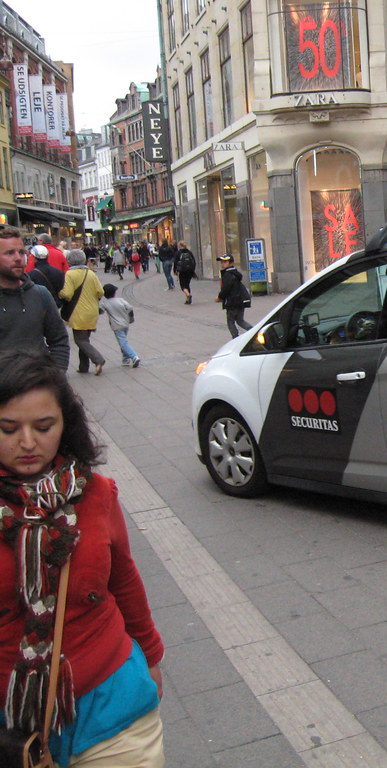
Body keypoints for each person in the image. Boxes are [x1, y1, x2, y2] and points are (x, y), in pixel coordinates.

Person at [0, 350, 165, 766]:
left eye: (43, 426)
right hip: (9, 718)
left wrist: (151, 658)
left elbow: (123, 579)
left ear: (65, 424)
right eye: (7, 428)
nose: (27, 443)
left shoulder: (94, 492)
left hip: (111, 694)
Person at [0, 227, 69, 369]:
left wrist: (56, 377)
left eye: (21, 252)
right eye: (9, 253)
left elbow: (59, 340)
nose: (18, 258)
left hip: (37, 383)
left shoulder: (40, 294)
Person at [59, 249, 106, 376]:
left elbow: (67, 294)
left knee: (80, 340)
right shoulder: (90, 273)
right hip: (92, 311)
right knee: (85, 339)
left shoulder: (70, 274)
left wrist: (59, 292)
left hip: (78, 312)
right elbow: (100, 292)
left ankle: (98, 359)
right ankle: (83, 366)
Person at [99, 283, 140, 368]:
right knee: (124, 341)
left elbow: (100, 312)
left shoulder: (105, 303)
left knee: (123, 343)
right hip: (126, 323)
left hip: (116, 326)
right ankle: (125, 359)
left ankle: (134, 356)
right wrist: (131, 319)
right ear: (114, 293)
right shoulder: (121, 300)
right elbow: (130, 308)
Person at [216, 253, 253, 338]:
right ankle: (253, 331)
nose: (222, 264)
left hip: (232, 302)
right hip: (240, 301)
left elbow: (225, 289)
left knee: (230, 321)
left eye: (225, 262)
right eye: (222, 262)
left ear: (231, 263)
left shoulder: (228, 275)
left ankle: (235, 338)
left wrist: (220, 297)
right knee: (240, 320)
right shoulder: (235, 273)